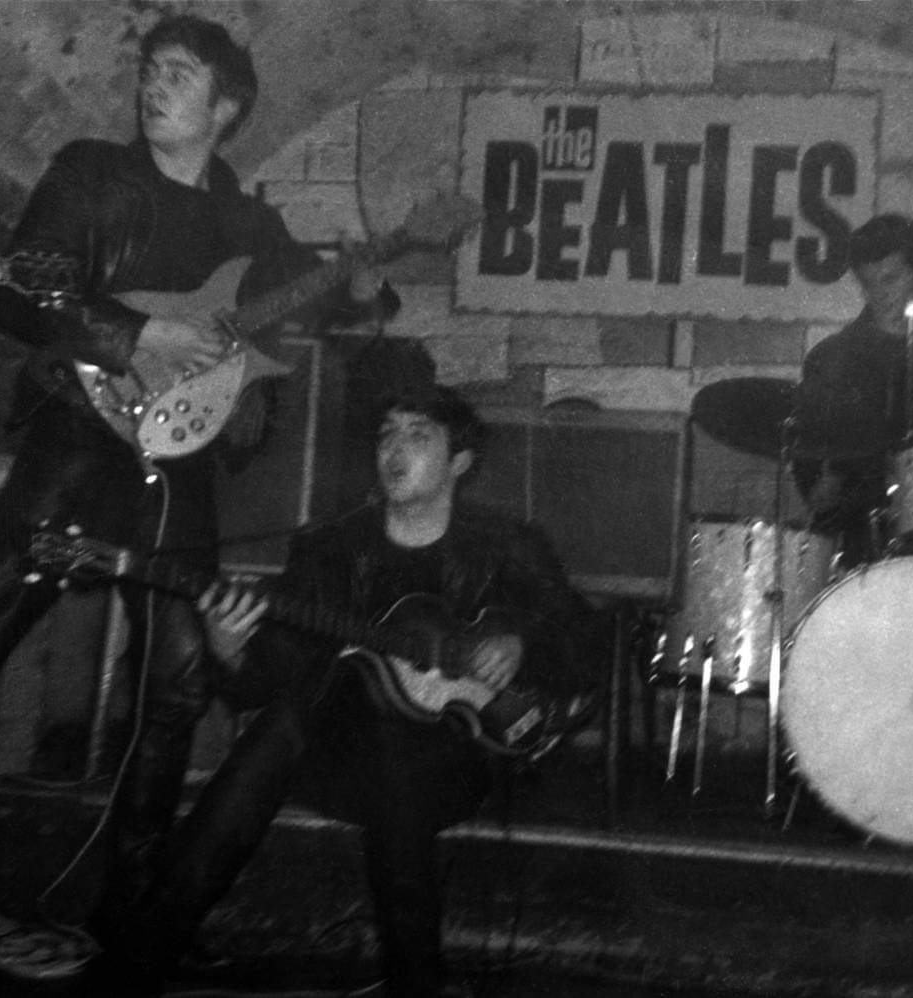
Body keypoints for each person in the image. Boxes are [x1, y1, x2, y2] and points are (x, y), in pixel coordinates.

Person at [0, 12, 391, 938]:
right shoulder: (92, 173)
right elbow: (20, 288)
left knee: (176, 682)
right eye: (150, 69)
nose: (153, 84)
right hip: (81, 438)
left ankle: (133, 914)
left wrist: (367, 285)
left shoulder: (251, 223)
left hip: (179, 464)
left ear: (227, 106)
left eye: (178, 73)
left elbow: (307, 315)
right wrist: (137, 333)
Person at [86, 382, 606, 997]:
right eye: (387, 432)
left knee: (397, 766)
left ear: (459, 463)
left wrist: (520, 641)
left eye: (418, 435)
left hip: (458, 752)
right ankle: (143, 956)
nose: (395, 448)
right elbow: (272, 676)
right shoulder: (331, 547)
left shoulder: (507, 544)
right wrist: (230, 648)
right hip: (339, 749)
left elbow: (583, 644)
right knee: (279, 730)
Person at [792, 213, 913, 566]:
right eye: (869, 284)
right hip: (860, 542)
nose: (880, 295)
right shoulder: (832, 360)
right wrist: (819, 487)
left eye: (890, 279)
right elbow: (807, 459)